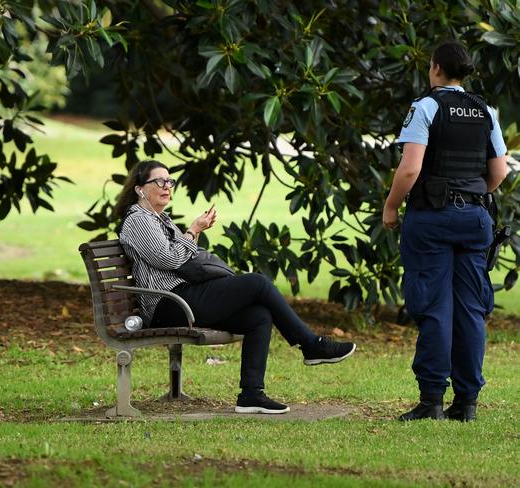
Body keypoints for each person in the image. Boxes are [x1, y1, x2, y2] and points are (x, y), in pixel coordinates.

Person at [114, 159, 356, 415]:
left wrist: (193, 233)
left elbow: (181, 256)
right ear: (141, 188)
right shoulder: (138, 220)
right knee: (257, 282)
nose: (167, 186)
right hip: (168, 302)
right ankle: (310, 344)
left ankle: (251, 394)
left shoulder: (159, 218)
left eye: (170, 181)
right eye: (159, 181)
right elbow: (170, 259)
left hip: (182, 295)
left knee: (258, 317)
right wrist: (193, 230)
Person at [383, 40, 508, 421]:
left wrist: (390, 207)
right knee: (471, 310)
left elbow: (409, 169)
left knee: (435, 307)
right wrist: (469, 196)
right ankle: (466, 404)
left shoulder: (426, 107)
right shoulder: (485, 111)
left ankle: (431, 400)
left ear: (436, 68)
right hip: (475, 220)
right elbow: (499, 172)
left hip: (431, 220)